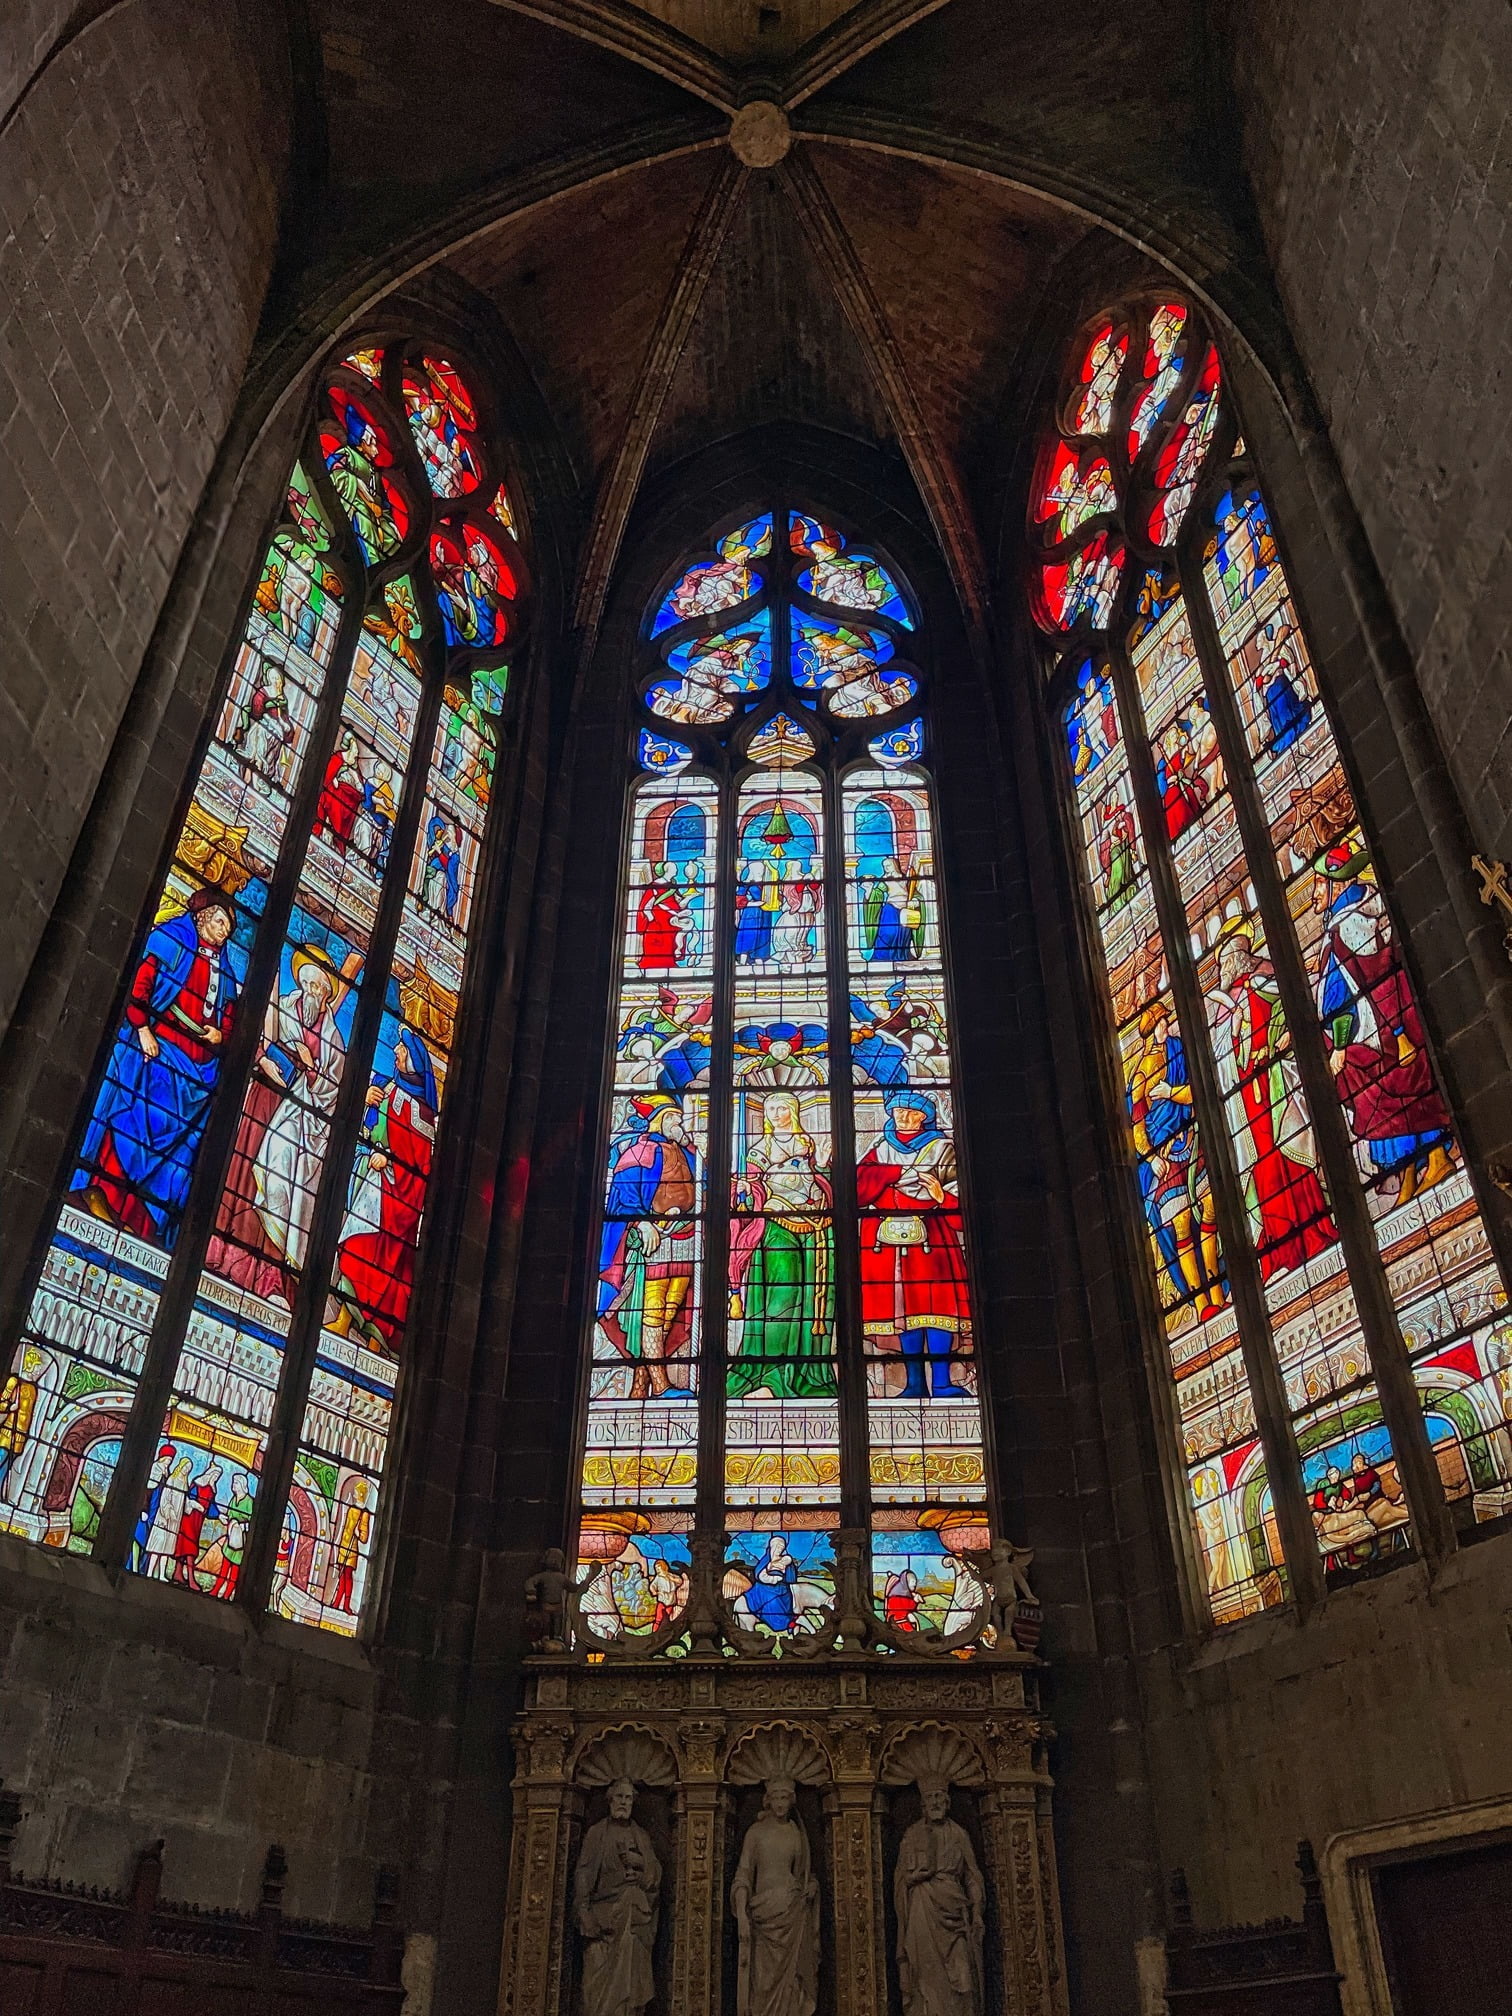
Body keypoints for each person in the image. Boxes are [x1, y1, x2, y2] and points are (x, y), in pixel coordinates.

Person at [73, 887, 241, 1245]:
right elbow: (142, 984)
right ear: (202, 916)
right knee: (137, 1120)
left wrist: (219, 1036)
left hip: (200, 1069)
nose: (225, 930)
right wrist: (143, 1027)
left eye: (229, 926)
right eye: (220, 920)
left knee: (179, 1148)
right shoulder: (171, 939)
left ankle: (143, 1220)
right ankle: (100, 1193)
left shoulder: (225, 969)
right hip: (161, 1048)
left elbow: (229, 1016)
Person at [1313, 845, 1455, 1203]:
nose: (1315, 894)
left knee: (1387, 1098)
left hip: (1381, 1032)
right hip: (1386, 1027)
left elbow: (1372, 984)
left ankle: (1435, 1160)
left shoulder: (1352, 926)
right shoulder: (1354, 920)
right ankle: (1410, 1173)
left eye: (1319, 885)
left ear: (1335, 885)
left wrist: (1346, 1045)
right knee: (1389, 1101)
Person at [1209, 927, 1336, 1280]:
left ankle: (1312, 1233)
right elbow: (1226, 1059)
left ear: (1237, 961)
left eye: (1225, 965)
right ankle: (1277, 1249)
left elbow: (1291, 1012)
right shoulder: (1229, 1005)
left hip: (1274, 1086)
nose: (1224, 973)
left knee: (1289, 1158)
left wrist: (1278, 1038)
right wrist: (1235, 1025)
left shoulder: (1266, 982)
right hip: (1249, 1100)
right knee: (1264, 1171)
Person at [856, 1090, 972, 1399]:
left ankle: (943, 1382)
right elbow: (858, 1185)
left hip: (931, 1241)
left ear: (925, 1117)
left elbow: (960, 1200)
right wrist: (894, 1173)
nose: (903, 1117)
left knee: (937, 1309)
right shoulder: (880, 1149)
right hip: (887, 1243)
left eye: (911, 1112)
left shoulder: (942, 1149)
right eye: (897, 1111)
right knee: (901, 1312)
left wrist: (940, 1196)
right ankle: (914, 1383)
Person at [330, 1026, 440, 1349]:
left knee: (390, 1273)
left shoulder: (423, 1114)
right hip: (373, 1188)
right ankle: (345, 1320)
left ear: (415, 1064)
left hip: (397, 1204)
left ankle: (376, 1340)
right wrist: (367, 1103)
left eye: (402, 1050)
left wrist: (390, 1164)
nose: (395, 1053)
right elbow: (367, 1130)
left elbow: (422, 1168)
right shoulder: (385, 1089)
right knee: (354, 1246)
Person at [728, 1095, 835, 1400]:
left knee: (815, 1301)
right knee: (782, 1300)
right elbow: (747, 1195)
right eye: (770, 1109)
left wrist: (825, 1168)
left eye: (781, 1107)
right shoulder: (759, 1151)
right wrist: (746, 1189)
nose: (776, 1113)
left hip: (816, 1226)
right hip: (778, 1225)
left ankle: (808, 1373)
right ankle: (770, 1375)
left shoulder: (809, 1145)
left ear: (794, 1110)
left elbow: (823, 1183)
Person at [1128, 1005, 1225, 1321]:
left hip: (1190, 1141)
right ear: (1151, 1028)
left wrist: (1171, 1092)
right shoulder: (1142, 1074)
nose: (1167, 1024)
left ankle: (1217, 1290)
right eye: (1161, 1021)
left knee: (1211, 1207)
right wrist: (1151, 1158)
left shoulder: (1179, 1051)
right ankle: (1202, 1303)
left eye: (1168, 1019)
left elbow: (1195, 1092)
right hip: (1166, 1158)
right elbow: (1137, 1127)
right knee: (1182, 1223)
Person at [597, 1097, 698, 1399]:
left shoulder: (688, 1153)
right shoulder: (639, 1153)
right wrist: (642, 1223)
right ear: (659, 1121)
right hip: (655, 1239)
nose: (679, 1124)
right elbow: (624, 1196)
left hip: (686, 1235)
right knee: (652, 1311)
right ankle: (662, 1385)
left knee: (671, 1312)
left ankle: (643, 1384)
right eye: (673, 1119)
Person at [895, 1778, 986, 2016]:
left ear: (947, 1801)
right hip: (922, 1909)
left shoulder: (958, 1835)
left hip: (954, 1910)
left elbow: (972, 1876)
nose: (935, 1802)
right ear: (923, 1804)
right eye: (930, 1798)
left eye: (938, 1797)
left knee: (963, 1976)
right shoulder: (912, 1835)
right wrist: (914, 1879)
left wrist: (977, 1913)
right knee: (924, 1977)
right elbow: (901, 1878)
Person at [573, 1780, 661, 2016]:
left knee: (630, 1987)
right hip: (603, 1917)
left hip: (632, 1919)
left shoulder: (640, 1835)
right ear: (610, 1799)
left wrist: (640, 1863)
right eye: (620, 1797)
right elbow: (584, 1873)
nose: (623, 1802)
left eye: (628, 1798)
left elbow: (654, 1875)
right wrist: (584, 1912)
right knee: (595, 1987)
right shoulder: (597, 1833)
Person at [731, 1780, 818, 2016]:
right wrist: (741, 1916)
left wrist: (811, 1886)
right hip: (764, 1916)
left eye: (785, 1798)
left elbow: (803, 1873)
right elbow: (744, 1875)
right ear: (767, 1800)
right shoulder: (756, 1833)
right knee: (763, 1981)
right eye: (776, 1798)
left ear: (791, 1801)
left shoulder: (795, 1833)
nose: (780, 1803)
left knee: (793, 1982)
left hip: (792, 1912)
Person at [172, 1460, 221, 1588]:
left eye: (217, 1477)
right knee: (190, 1547)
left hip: (198, 1521)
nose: (215, 1479)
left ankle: (177, 1573)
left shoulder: (211, 1490)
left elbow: (211, 1507)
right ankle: (191, 1579)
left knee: (186, 1546)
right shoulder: (197, 1484)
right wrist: (196, 1505)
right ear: (209, 1474)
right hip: (189, 1518)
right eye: (214, 1476)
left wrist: (220, 1515)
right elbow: (189, 1499)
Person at [315, 730, 365, 853]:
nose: (356, 756)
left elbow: (361, 792)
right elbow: (325, 782)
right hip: (332, 803)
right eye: (354, 753)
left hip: (346, 807)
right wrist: (335, 782)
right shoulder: (336, 759)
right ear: (348, 750)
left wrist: (354, 778)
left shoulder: (354, 769)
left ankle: (335, 842)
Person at [208, 1472, 255, 1599]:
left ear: (242, 1485)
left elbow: (253, 1523)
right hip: (230, 1539)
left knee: (234, 1571)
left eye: (236, 1482)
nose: (233, 1485)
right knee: (224, 1567)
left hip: (241, 1542)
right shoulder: (234, 1499)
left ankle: (227, 1595)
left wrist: (242, 1526)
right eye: (233, 1482)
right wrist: (224, 1519)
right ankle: (215, 1590)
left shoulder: (249, 1502)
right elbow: (230, 1515)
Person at [331, 1479, 372, 1613]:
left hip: (352, 1547)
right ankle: (338, 1603)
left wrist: (358, 1533)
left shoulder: (364, 1513)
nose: (354, 1494)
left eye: (356, 1492)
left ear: (360, 1494)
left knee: (347, 1574)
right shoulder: (352, 1508)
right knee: (342, 1574)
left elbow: (364, 1536)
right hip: (344, 1544)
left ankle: (345, 1604)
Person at [637, 864, 684, 970]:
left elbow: (675, 902)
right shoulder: (655, 886)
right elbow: (646, 907)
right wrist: (652, 919)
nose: (676, 869)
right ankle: (653, 965)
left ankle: (668, 963)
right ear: (667, 870)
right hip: (658, 922)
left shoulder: (672, 886)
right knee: (658, 944)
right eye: (674, 868)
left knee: (669, 944)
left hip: (670, 922)